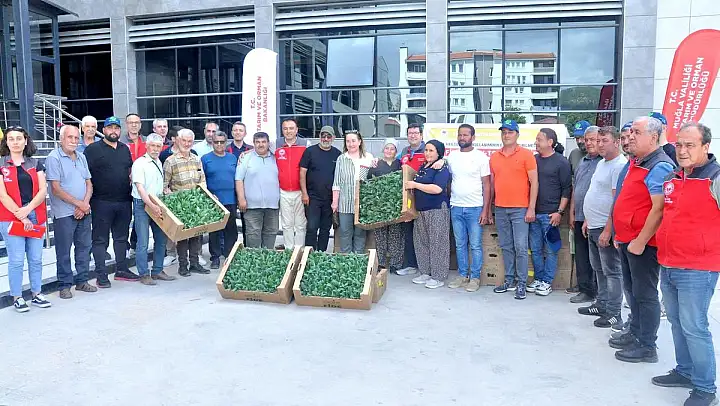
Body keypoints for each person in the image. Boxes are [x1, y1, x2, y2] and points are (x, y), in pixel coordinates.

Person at [652, 122, 720, 406]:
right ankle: (685, 371)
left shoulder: (715, 179)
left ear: (706, 146)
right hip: (669, 263)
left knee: (694, 326)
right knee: (677, 322)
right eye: (679, 144)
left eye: (690, 145)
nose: (682, 150)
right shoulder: (673, 177)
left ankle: (705, 388)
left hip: (698, 268)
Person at [609, 116, 675, 363]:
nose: (631, 137)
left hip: (644, 244)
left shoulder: (659, 166)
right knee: (632, 290)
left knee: (645, 294)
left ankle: (647, 345)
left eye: (637, 132)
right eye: (631, 132)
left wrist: (640, 241)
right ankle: (635, 332)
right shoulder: (638, 162)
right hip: (628, 239)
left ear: (654, 137)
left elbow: (659, 209)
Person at [0, 126, 51, 312]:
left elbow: (43, 190)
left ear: (25, 141)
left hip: (35, 215)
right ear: (6, 142)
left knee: (36, 259)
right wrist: (21, 215)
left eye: (19, 138)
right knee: (16, 260)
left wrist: (28, 210)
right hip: (10, 217)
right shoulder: (1, 165)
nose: (15, 142)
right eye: (11, 139)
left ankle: (37, 293)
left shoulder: (35, 164)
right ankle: (17, 297)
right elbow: (2, 195)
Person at [581, 126, 627, 328]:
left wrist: (608, 230)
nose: (599, 144)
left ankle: (614, 312)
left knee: (612, 272)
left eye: (604, 140)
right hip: (593, 225)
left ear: (617, 142)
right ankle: (601, 304)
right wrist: (587, 219)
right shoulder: (602, 163)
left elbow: (617, 201)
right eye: (598, 141)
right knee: (598, 268)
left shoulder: (619, 166)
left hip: (605, 228)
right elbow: (596, 192)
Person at [84, 116, 137, 288]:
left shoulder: (124, 149)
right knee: (100, 240)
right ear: (104, 130)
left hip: (124, 201)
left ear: (120, 130)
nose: (113, 131)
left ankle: (121, 269)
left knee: (121, 238)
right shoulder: (92, 149)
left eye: (116, 128)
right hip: (101, 202)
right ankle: (101, 275)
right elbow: (85, 176)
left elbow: (129, 171)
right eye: (110, 128)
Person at [46, 125, 96, 299]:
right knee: (64, 251)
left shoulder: (81, 157)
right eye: (70, 137)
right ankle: (65, 285)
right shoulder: (53, 158)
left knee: (84, 248)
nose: (74, 141)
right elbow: (56, 189)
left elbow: (89, 183)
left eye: (76, 138)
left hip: (84, 210)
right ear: (61, 139)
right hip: (63, 214)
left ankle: (82, 281)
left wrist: (85, 204)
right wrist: (79, 204)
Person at [490, 119, 538, 300]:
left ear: (517, 134)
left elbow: (534, 182)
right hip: (500, 208)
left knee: (520, 247)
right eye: (504, 132)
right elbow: (492, 184)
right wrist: (490, 208)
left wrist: (531, 208)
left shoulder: (527, 155)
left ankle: (522, 283)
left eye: (510, 132)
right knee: (506, 246)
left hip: (520, 209)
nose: (506, 135)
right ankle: (510, 280)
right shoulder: (495, 157)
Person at [446, 124, 491, 292]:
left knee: (475, 245)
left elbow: (487, 185)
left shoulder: (481, 157)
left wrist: (485, 210)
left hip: (475, 208)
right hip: (456, 207)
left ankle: (475, 278)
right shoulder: (452, 157)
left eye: (466, 135)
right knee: (460, 244)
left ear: (473, 137)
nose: (462, 138)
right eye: (460, 135)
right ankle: (463, 275)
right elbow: (449, 180)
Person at [528, 128, 571, 296]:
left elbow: (566, 189)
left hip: (550, 214)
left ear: (550, 142)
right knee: (535, 249)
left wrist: (559, 212)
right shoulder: (533, 160)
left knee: (551, 250)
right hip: (534, 213)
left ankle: (547, 282)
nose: (536, 143)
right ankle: (538, 278)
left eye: (539, 139)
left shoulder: (561, 162)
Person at [163, 129, 210, 277]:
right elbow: (164, 185)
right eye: (184, 140)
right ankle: (183, 266)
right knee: (182, 237)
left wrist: (205, 196)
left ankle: (194, 263)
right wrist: (170, 198)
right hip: (180, 205)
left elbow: (202, 180)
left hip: (196, 203)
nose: (187, 144)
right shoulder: (170, 161)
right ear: (178, 140)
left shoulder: (196, 159)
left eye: (190, 141)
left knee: (196, 235)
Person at [131, 133, 176, 285]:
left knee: (161, 240)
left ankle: (157, 270)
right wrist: (152, 206)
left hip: (157, 203)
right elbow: (140, 188)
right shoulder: (140, 163)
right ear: (147, 146)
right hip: (143, 204)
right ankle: (144, 274)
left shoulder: (158, 161)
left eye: (158, 146)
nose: (156, 149)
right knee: (143, 242)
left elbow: (158, 185)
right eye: (153, 146)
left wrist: (165, 192)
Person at [406, 140, 451, 289]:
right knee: (421, 242)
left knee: (438, 243)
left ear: (439, 153)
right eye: (426, 150)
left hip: (436, 209)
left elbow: (437, 188)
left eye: (431, 150)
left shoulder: (441, 167)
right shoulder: (423, 166)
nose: (427, 153)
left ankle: (438, 276)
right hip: (421, 210)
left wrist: (415, 185)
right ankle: (425, 272)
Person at [568, 126, 602, 304]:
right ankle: (585, 290)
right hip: (579, 216)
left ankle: (596, 292)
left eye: (592, 139)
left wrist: (589, 217)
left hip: (595, 218)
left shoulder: (604, 163)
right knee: (581, 256)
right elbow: (576, 187)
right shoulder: (583, 161)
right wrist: (572, 211)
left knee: (595, 259)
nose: (588, 143)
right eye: (586, 139)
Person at [235, 132, 280, 249]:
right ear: (253, 143)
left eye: (264, 142)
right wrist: (241, 199)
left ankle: (268, 259)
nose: (261, 145)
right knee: (252, 237)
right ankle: (254, 260)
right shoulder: (246, 158)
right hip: (252, 207)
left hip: (272, 206)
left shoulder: (276, 158)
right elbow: (239, 179)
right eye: (258, 142)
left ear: (268, 143)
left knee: (271, 234)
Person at [300, 125, 341, 251]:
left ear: (333, 138)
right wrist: (304, 193)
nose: (326, 139)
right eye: (323, 136)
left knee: (325, 229)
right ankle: (309, 254)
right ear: (319, 136)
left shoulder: (337, 154)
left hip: (329, 199)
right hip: (312, 198)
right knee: (312, 227)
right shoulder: (310, 151)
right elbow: (302, 172)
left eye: (329, 136)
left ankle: (321, 254)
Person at [332, 131, 374, 253]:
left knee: (360, 234)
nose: (351, 144)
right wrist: (335, 202)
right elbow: (337, 183)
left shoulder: (368, 158)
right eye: (348, 141)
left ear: (360, 142)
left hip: (362, 204)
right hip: (345, 203)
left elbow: (373, 180)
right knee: (345, 233)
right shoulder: (341, 159)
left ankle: (358, 259)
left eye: (353, 141)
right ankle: (347, 260)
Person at [201, 131, 238, 269]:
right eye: (216, 142)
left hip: (231, 199)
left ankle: (230, 256)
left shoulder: (232, 158)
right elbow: (202, 180)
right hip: (214, 201)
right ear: (212, 143)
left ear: (226, 143)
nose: (219, 144)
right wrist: (209, 196)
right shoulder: (205, 159)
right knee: (214, 231)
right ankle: (215, 257)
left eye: (222, 142)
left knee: (231, 230)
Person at [367, 138, 404, 272]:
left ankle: (395, 264)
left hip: (396, 206)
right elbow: (368, 184)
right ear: (383, 149)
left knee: (396, 235)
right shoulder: (376, 165)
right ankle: (381, 263)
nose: (389, 151)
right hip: (380, 207)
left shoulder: (400, 165)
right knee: (380, 235)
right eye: (387, 148)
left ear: (396, 151)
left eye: (392, 149)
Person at [396, 123, 425, 275]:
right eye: (410, 133)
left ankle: (425, 267)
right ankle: (410, 265)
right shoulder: (404, 152)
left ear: (421, 135)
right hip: (407, 199)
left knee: (422, 234)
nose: (413, 136)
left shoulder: (427, 150)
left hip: (423, 198)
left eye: (415, 133)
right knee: (407, 232)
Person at [276, 118, 307, 250]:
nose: (288, 131)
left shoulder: (305, 144)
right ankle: (289, 250)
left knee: (300, 224)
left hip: (300, 191)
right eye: (285, 128)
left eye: (291, 128)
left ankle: (299, 250)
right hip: (283, 191)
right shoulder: (276, 144)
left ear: (296, 130)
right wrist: (246, 152)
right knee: (286, 224)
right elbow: (261, 149)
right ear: (282, 130)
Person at [123, 113, 145, 257]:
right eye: (131, 122)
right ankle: (124, 245)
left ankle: (134, 244)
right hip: (124, 184)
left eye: (136, 122)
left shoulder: (146, 141)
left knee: (139, 216)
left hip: (141, 185)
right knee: (125, 217)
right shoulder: (120, 142)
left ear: (140, 124)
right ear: (127, 124)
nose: (134, 125)